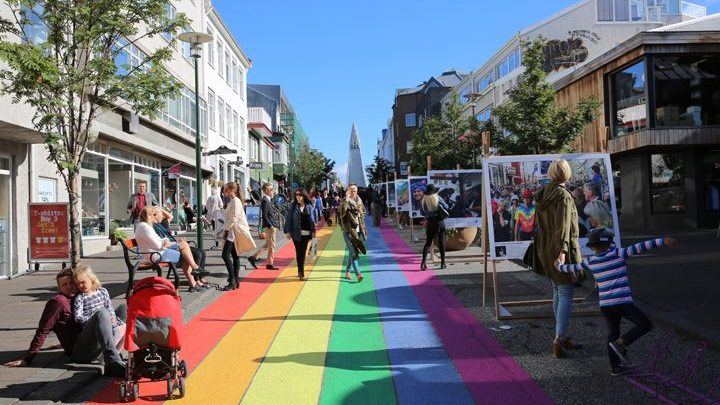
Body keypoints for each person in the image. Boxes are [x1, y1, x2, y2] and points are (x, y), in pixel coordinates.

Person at [556, 230, 677, 375]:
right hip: (622, 302)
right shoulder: (619, 253)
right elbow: (642, 246)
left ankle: (615, 367)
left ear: (593, 247)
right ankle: (622, 343)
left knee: (612, 333)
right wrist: (663, 240)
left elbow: (570, 268)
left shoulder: (590, 261)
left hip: (606, 305)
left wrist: (558, 264)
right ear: (609, 243)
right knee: (645, 324)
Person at [2, 269, 127, 377]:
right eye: (64, 284)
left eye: (71, 283)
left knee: (124, 308)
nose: (69, 286)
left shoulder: (81, 296)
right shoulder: (58, 302)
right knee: (102, 313)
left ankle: (129, 351)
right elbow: (43, 330)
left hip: (91, 342)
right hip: (81, 353)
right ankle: (111, 361)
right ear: (59, 288)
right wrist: (27, 359)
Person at [533, 159, 583, 358]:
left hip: (545, 247)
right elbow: (562, 226)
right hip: (560, 248)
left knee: (557, 290)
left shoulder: (544, 193)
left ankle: (560, 334)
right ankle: (559, 338)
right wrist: (562, 251)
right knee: (565, 293)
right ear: (567, 173)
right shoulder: (563, 196)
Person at [134, 206, 209, 292]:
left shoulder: (143, 225)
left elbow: (159, 239)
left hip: (156, 253)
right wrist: (167, 243)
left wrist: (166, 241)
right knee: (185, 252)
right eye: (160, 214)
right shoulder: (145, 227)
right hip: (156, 255)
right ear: (153, 215)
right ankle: (195, 273)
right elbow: (158, 245)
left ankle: (194, 279)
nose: (162, 216)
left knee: (184, 248)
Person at [220, 182, 253, 291]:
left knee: (225, 255)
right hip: (233, 231)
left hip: (232, 232)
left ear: (231, 190)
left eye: (225, 190)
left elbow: (233, 218)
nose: (223, 192)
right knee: (235, 256)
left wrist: (226, 230)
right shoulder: (233, 201)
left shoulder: (235, 201)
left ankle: (232, 279)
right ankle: (235, 280)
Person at [284, 188, 317, 280]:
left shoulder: (309, 206)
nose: (298, 197)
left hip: (307, 234)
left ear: (304, 196)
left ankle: (300, 271)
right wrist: (288, 231)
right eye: (296, 195)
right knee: (300, 253)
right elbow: (289, 219)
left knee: (303, 251)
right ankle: (300, 272)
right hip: (296, 234)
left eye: (300, 195)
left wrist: (314, 233)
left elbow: (312, 220)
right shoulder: (293, 206)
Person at [248, 183, 281, 270]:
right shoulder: (265, 201)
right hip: (270, 227)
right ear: (266, 191)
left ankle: (254, 257)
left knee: (268, 244)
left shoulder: (268, 200)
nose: (273, 191)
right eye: (271, 189)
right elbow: (265, 216)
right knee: (271, 245)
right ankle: (270, 263)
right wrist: (271, 226)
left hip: (271, 225)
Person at [339, 184, 365, 282]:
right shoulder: (344, 201)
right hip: (348, 230)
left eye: (355, 191)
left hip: (357, 230)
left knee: (352, 252)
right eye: (351, 190)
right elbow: (342, 212)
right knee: (354, 253)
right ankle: (358, 274)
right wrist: (346, 198)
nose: (353, 193)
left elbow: (362, 213)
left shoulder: (359, 200)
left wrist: (360, 212)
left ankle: (347, 272)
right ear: (348, 191)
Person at [420, 184, 448, 271]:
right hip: (439, 222)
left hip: (430, 222)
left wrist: (428, 214)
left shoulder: (424, 200)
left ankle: (423, 263)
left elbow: (422, 213)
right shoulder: (438, 198)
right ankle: (443, 263)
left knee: (428, 243)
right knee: (441, 243)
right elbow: (447, 207)